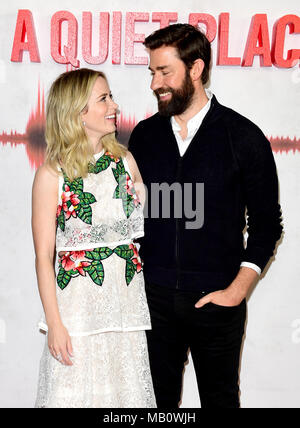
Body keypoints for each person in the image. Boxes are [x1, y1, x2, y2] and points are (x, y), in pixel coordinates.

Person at [128, 24, 283, 408]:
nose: (155, 84)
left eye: (165, 72)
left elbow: (267, 225)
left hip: (217, 301)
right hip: (154, 302)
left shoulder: (242, 137)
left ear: (195, 69)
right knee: (155, 404)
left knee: (220, 400)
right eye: (152, 72)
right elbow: (132, 215)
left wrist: (237, 290)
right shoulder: (144, 137)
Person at [32, 68, 156, 408]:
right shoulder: (51, 175)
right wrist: (54, 323)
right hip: (77, 320)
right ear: (78, 113)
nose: (114, 105)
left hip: (125, 315)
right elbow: (44, 255)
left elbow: (160, 212)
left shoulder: (125, 161)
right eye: (104, 98)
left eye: (111, 96)